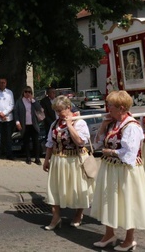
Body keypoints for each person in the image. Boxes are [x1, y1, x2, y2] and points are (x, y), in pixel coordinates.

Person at [91, 90, 145, 251]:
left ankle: (130, 238)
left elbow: (129, 154)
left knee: (127, 201)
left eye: (110, 105)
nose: (108, 108)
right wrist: (103, 125)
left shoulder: (132, 126)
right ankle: (109, 234)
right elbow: (96, 144)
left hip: (126, 171)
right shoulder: (112, 123)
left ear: (122, 108)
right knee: (109, 201)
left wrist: (110, 152)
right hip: (111, 168)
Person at [42, 95, 94, 230]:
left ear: (68, 107)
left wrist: (70, 125)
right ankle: (56, 216)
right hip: (58, 160)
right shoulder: (55, 124)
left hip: (74, 160)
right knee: (55, 188)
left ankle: (79, 214)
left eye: (61, 110)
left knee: (77, 188)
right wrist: (46, 160)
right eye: (57, 111)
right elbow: (50, 143)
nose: (59, 114)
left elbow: (80, 141)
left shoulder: (79, 122)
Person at [14, 86, 44, 165]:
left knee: (36, 142)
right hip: (25, 125)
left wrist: (33, 101)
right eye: (26, 92)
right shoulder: (19, 102)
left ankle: (37, 158)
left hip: (33, 124)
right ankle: (28, 158)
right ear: (23, 93)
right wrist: (17, 122)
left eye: (29, 92)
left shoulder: (34, 101)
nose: (27, 94)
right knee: (26, 142)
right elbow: (16, 112)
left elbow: (39, 109)